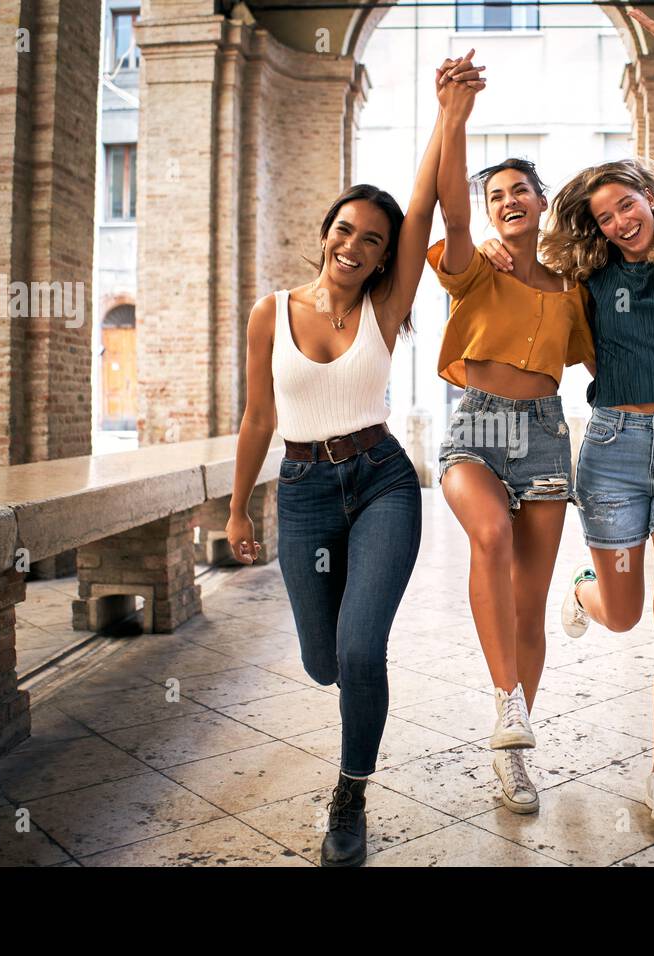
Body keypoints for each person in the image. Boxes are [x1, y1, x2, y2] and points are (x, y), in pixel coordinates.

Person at [226, 54, 485, 865]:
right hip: (302, 492)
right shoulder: (272, 313)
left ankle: (350, 792)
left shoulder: (387, 305)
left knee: (360, 651)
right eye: (345, 230)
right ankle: (347, 694)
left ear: (383, 259)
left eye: (372, 241)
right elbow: (258, 416)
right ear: (326, 233)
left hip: (381, 483)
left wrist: (449, 114)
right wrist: (237, 508)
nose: (356, 244)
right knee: (321, 661)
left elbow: (424, 207)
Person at [482, 5, 654, 825]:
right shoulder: (586, 281)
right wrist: (493, 248)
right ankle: (586, 593)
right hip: (615, 451)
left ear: (650, 200)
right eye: (607, 214)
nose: (622, 220)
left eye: (630, 205)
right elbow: (524, 279)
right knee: (623, 616)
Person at [426, 57, 595, 814]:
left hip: (547, 437)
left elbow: (610, 356)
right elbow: (450, 218)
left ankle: (515, 756)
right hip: (475, 426)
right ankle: (505, 704)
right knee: (489, 535)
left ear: (541, 199)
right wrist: (453, 117)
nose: (506, 202)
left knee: (531, 604)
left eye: (519, 189)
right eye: (496, 196)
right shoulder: (475, 267)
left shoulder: (572, 288)